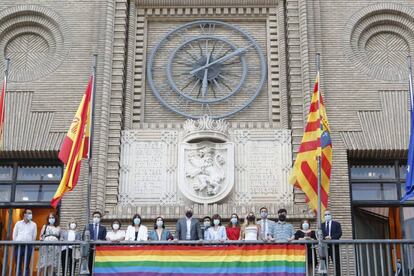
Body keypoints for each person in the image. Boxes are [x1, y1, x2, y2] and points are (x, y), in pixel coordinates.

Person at [13, 209, 37, 276]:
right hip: (18, 246)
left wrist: (30, 244)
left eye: (31, 213)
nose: (30, 215)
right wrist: (16, 243)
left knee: (26, 265)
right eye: (29, 213)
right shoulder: (18, 223)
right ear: (24, 214)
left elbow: (34, 237)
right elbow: (14, 235)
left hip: (28, 246)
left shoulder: (34, 224)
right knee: (18, 264)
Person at [321, 210, 342, 276]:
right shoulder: (321, 225)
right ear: (324, 216)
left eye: (328, 214)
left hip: (334, 247)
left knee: (336, 264)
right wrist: (325, 237)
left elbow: (339, 234)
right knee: (324, 264)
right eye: (325, 215)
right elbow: (320, 234)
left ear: (331, 215)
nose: (327, 216)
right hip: (324, 247)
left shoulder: (337, 224)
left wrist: (331, 237)